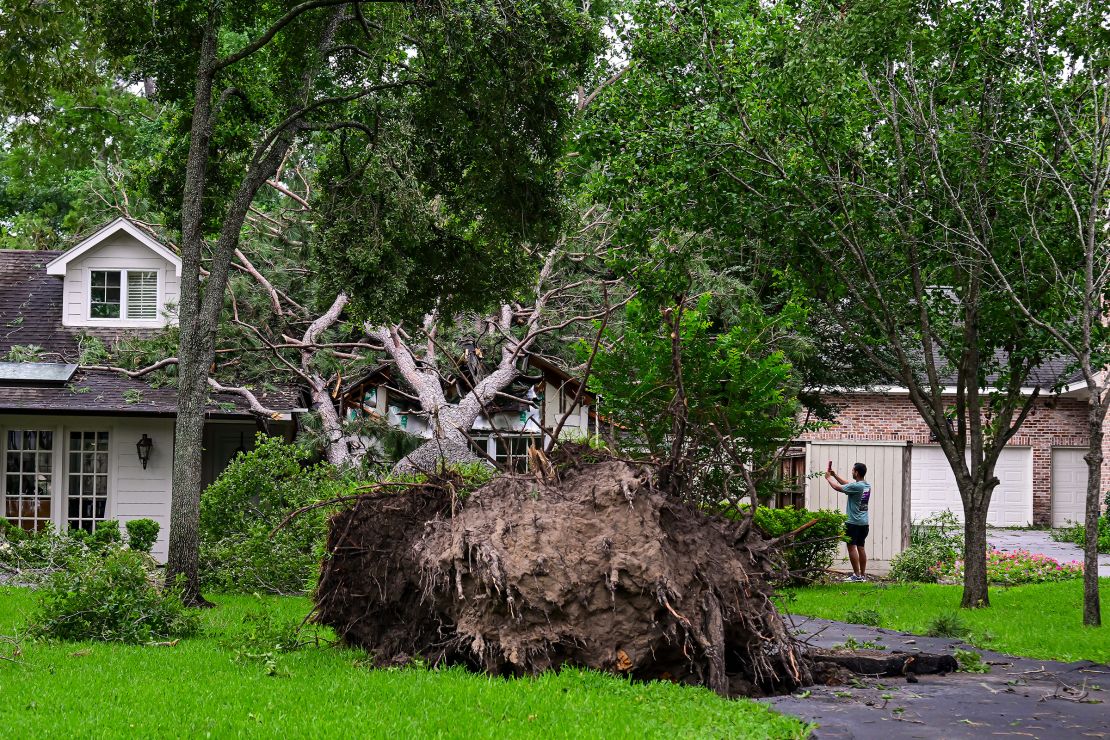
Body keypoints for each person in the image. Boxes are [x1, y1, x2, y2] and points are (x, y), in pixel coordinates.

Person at [824, 462, 871, 582]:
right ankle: (862, 575)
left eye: (852, 470)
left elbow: (837, 488)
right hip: (864, 523)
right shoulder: (866, 485)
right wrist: (835, 475)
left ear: (857, 472)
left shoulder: (857, 487)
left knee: (851, 548)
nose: (851, 472)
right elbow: (848, 485)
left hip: (853, 523)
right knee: (861, 547)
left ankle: (856, 575)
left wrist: (828, 478)